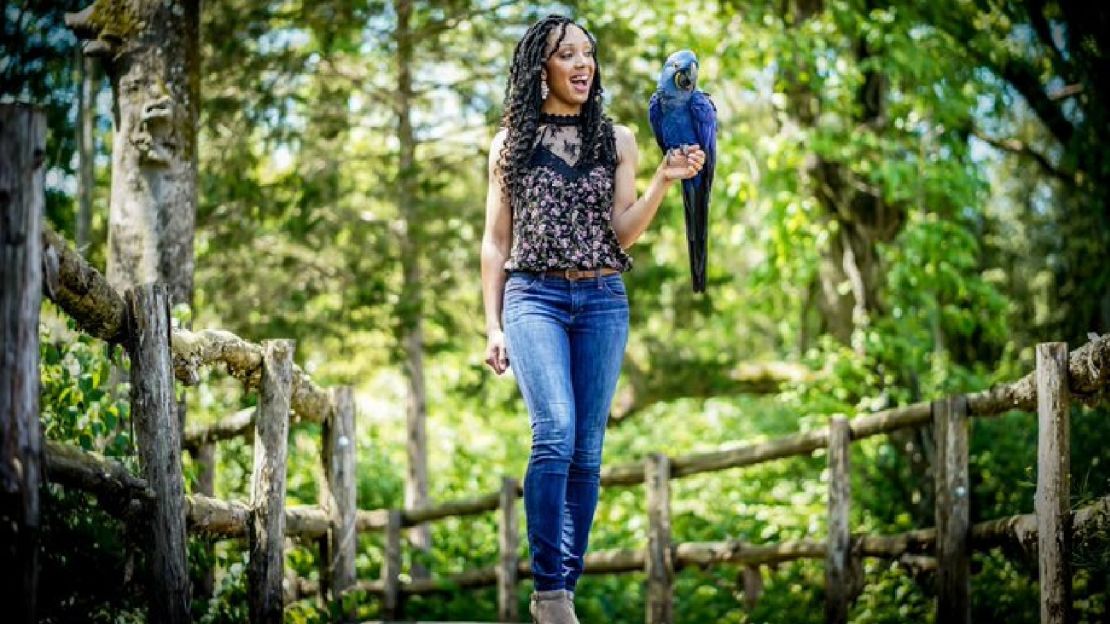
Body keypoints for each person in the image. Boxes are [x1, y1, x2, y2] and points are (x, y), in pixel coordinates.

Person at [479, 14, 706, 624]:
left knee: (587, 451)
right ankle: (550, 593)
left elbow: (620, 232)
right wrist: (493, 324)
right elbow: (495, 244)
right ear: (541, 68)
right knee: (554, 429)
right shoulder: (509, 145)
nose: (583, 64)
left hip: (603, 298)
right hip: (533, 298)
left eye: (588, 53)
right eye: (567, 54)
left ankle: (561, 593)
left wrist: (662, 179)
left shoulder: (619, 140)